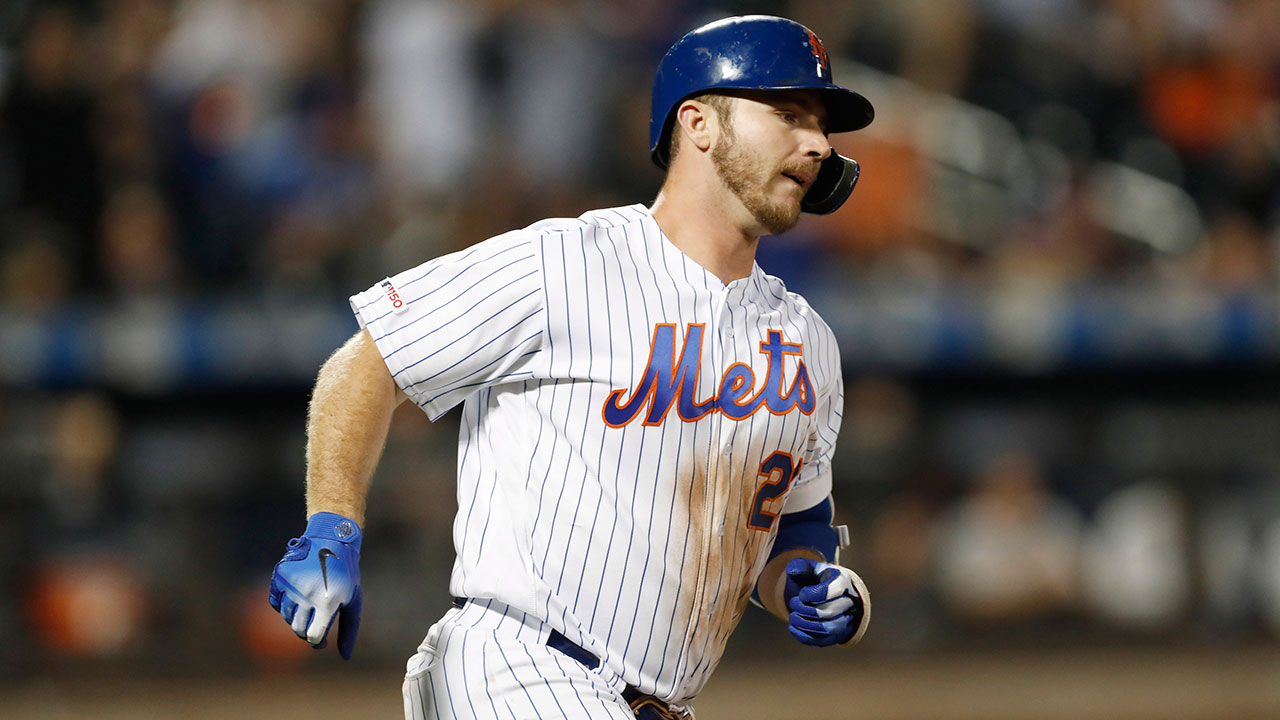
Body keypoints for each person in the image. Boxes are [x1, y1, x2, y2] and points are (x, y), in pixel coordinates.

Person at [268, 15, 874, 720]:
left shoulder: (807, 341)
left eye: (823, 126)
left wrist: (817, 585)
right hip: (514, 669)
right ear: (699, 123)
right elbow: (370, 361)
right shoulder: (565, 263)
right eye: (790, 114)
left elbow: (798, 529)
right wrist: (331, 526)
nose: (818, 144)